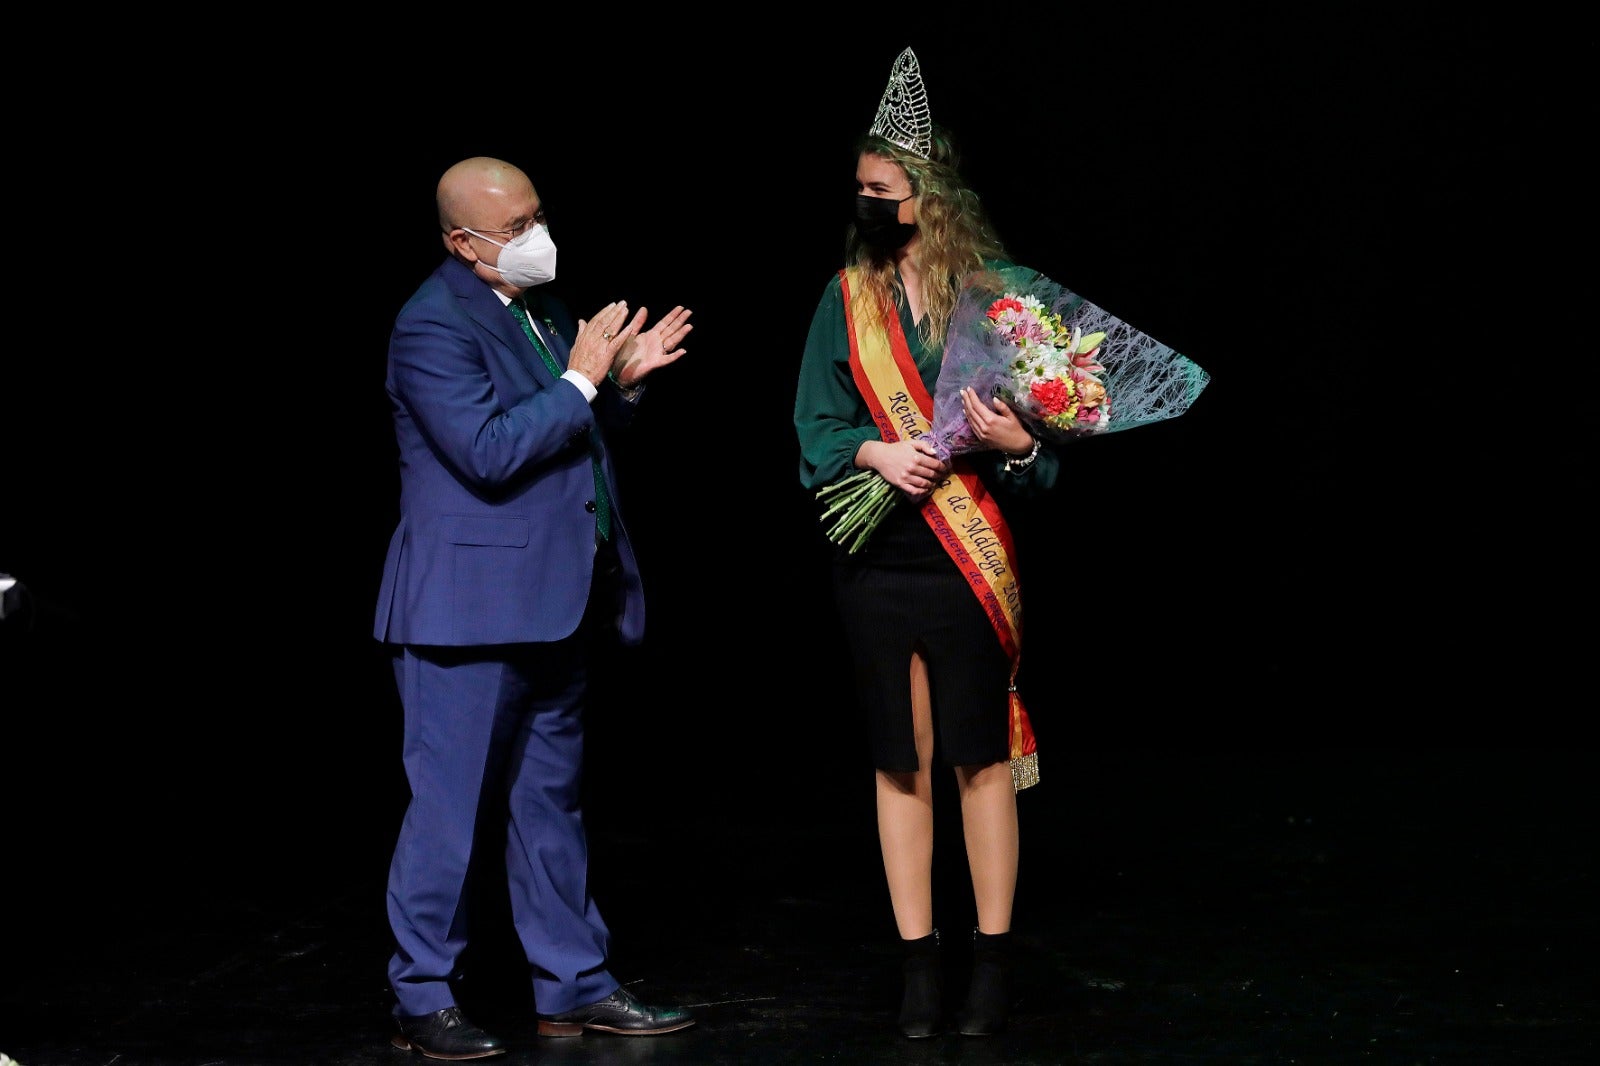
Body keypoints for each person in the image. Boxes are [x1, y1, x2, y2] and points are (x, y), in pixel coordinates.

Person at [374, 155, 697, 1059]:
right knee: (447, 813)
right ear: (460, 242)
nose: (534, 239)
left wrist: (619, 381)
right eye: (514, 230)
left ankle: (574, 985)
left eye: (537, 217)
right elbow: (484, 452)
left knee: (549, 805)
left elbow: (576, 428)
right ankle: (421, 996)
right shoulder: (429, 326)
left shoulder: (545, 312)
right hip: (464, 615)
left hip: (555, 603)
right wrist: (583, 383)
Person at [793, 48, 1059, 1039]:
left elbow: (1045, 455)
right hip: (878, 562)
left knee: (977, 758)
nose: (863, 201)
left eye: (881, 189)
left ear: (926, 196)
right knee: (898, 758)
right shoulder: (842, 297)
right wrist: (872, 449)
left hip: (967, 556)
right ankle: (918, 966)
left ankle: (989, 967)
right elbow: (812, 427)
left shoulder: (997, 298)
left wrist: (1016, 440)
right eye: (858, 188)